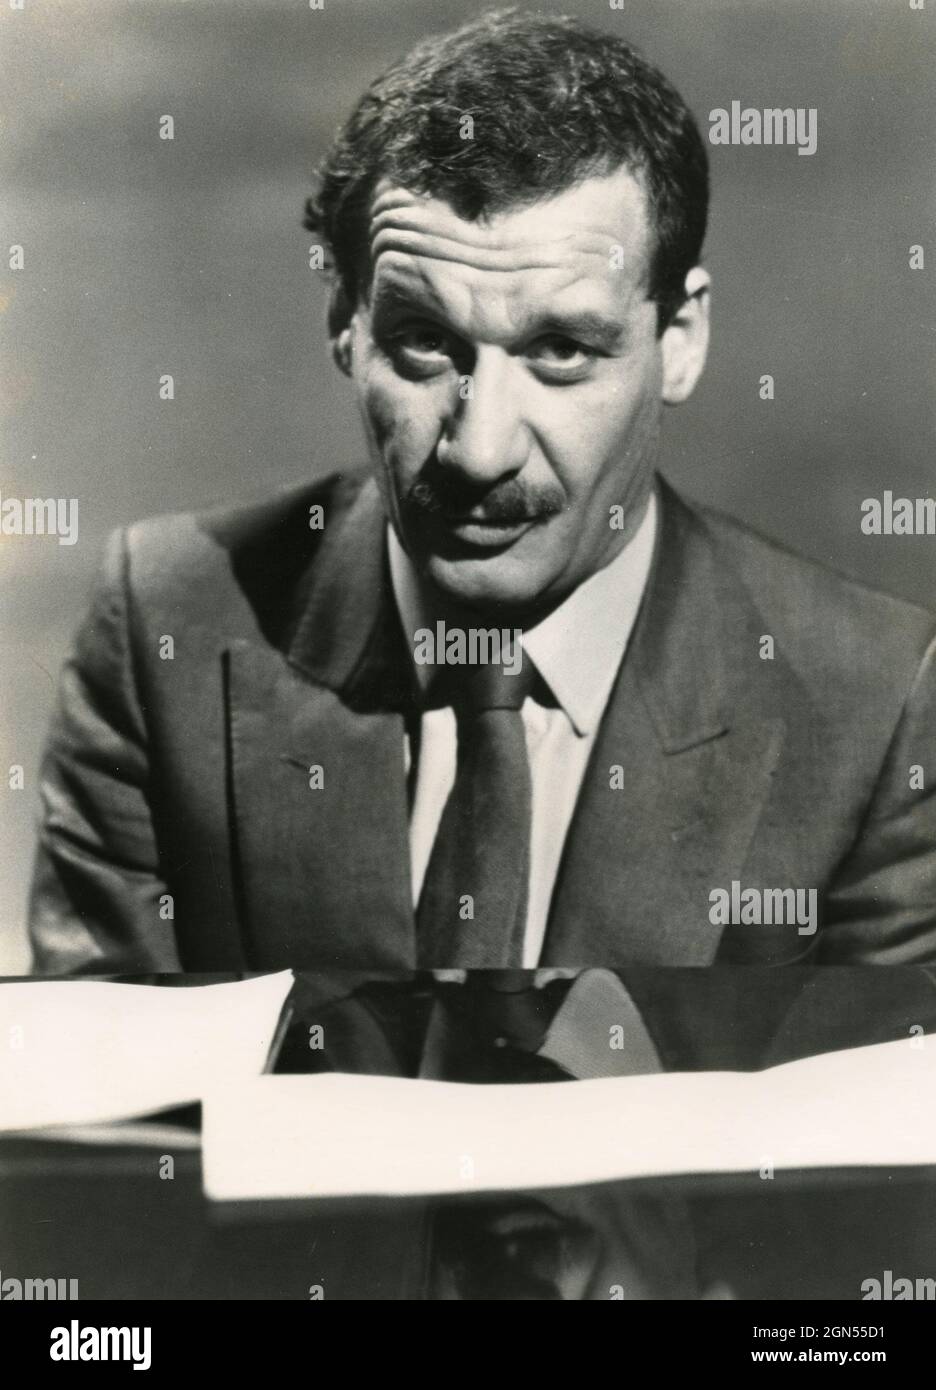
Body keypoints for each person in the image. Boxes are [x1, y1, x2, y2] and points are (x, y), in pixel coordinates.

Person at [28, 9, 936, 974]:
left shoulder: (876, 707)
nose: (478, 450)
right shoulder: (164, 629)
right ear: (345, 324)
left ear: (679, 340)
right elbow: (107, 1066)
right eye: (425, 342)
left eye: (560, 350)